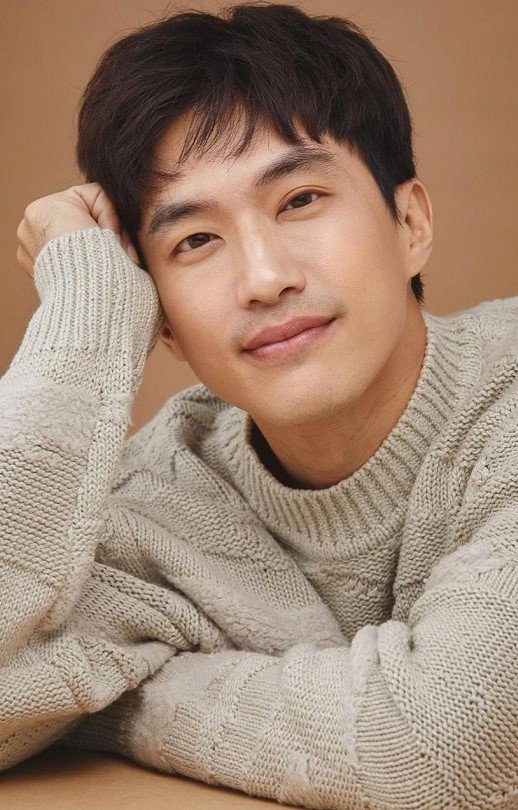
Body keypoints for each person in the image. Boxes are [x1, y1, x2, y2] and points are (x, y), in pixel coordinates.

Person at [1, 4, 517, 808]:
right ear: (162, 319)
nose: (266, 278)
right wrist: (87, 304)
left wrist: (121, 700)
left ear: (411, 223)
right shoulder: (160, 503)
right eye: (194, 241)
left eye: (300, 199)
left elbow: (446, 747)